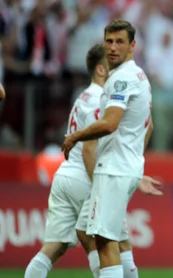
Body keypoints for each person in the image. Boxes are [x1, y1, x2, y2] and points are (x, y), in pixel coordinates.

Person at [28, 44, 161, 278]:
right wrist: (101, 186)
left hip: (65, 176)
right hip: (85, 174)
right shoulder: (101, 99)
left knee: (54, 248)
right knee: (116, 241)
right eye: (112, 63)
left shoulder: (83, 95)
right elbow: (90, 150)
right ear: (101, 70)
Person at [62, 20, 153, 278]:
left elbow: (110, 123)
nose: (113, 47)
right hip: (125, 165)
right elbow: (150, 125)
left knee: (104, 240)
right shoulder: (138, 75)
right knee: (88, 230)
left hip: (114, 168)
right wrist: (135, 161)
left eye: (120, 42)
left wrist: (75, 136)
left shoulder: (122, 79)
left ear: (132, 45)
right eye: (109, 41)